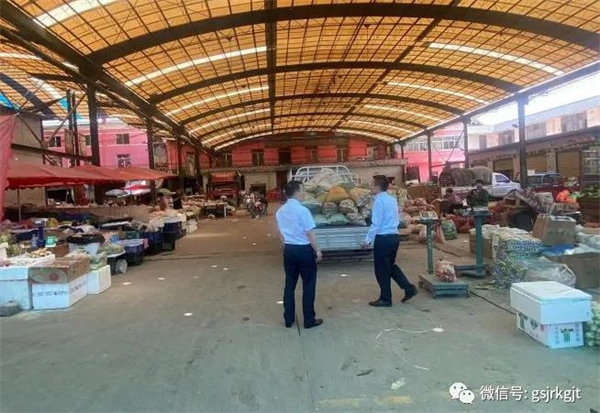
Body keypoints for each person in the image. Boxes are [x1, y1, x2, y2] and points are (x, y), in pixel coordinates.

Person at [363, 175, 417, 307]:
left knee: (381, 269)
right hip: (394, 237)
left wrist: (367, 240)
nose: (370, 186)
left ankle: (385, 298)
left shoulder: (379, 201)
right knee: (390, 266)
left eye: (371, 184)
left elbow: (376, 223)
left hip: (383, 238)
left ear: (377, 186)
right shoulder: (392, 199)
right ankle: (408, 288)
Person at [276, 181, 323, 329]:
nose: (304, 193)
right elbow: (310, 233)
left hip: (289, 250)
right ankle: (309, 320)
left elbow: (281, 234)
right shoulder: (303, 211)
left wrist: (286, 247)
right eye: (302, 190)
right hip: (304, 250)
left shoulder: (280, 211)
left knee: (289, 285)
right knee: (308, 285)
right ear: (296, 193)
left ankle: (288, 319)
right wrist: (317, 250)